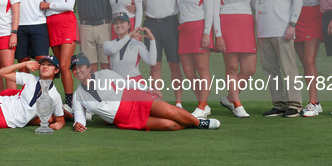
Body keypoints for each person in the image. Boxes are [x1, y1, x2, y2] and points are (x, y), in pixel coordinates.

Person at [70, 54, 220, 132]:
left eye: (81, 67)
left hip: (133, 98)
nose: (78, 71)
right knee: (169, 125)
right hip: (123, 119)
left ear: (89, 68)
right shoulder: (78, 96)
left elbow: (128, 83)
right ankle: (190, 123)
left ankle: (200, 122)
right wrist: (78, 125)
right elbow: (80, 119)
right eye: (74, 69)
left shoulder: (105, 74)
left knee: (169, 111)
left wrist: (148, 89)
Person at [254, 0, 303, 118]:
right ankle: (280, 104)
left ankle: (295, 104)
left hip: (283, 30)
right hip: (263, 32)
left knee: (288, 68)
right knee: (270, 70)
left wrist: (293, 23)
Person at [135, 0, 185, 107]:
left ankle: (178, 103)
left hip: (171, 22)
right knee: (154, 66)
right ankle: (157, 101)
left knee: (174, 65)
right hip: (150, 24)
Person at [213, 0, 256, 118]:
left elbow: (254, 4)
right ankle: (237, 105)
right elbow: (215, 12)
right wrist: (218, 35)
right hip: (227, 27)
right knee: (232, 68)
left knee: (249, 69)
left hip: (246, 27)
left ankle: (230, 98)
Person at [288, 0, 324, 117]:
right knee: (304, 62)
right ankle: (314, 101)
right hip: (294, 18)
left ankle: (313, 102)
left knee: (309, 61)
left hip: (313, 15)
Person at [175, 0, 214, 119]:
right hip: (183, 30)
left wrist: (207, 33)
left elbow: (209, 10)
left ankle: (202, 105)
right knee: (189, 72)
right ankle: (203, 105)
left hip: (199, 28)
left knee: (202, 69)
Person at [40, 0, 77, 109]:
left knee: (63, 65)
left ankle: (70, 103)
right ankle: (53, 100)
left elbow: (69, 5)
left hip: (66, 23)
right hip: (51, 24)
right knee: (57, 68)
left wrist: (49, 5)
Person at [103, 12, 157, 90]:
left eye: (122, 22)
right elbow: (112, 50)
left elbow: (152, 62)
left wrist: (152, 40)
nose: (119, 25)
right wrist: (129, 35)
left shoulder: (137, 44)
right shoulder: (108, 44)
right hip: (116, 83)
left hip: (135, 82)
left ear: (129, 25)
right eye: (116, 23)